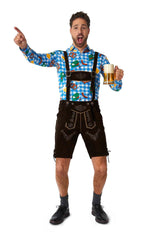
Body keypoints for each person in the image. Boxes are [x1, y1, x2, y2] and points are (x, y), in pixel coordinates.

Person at [14, 11, 124, 225]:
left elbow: (115, 86)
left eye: (83, 27)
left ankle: (96, 205)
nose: (79, 31)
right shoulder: (59, 56)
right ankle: (63, 206)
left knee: (101, 167)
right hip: (67, 114)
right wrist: (24, 46)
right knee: (60, 167)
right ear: (70, 31)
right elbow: (37, 59)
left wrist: (118, 78)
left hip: (92, 114)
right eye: (76, 27)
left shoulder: (100, 58)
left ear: (89, 30)